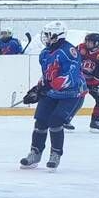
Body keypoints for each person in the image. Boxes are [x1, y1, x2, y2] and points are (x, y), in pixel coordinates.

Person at [17, 20, 85, 170]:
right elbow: (47, 75)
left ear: (57, 36)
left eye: (48, 35)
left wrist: (55, 84)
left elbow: (71, 76)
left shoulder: (69, 52)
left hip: (72, 94)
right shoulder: (44, 53)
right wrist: (37, 89)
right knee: (40, 121)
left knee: (55, 121)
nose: (46, 38)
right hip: (53, 94)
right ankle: (35, 153)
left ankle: (55, 154)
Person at [71, 32, 99, 132]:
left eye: (90, 42)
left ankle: (95, 122)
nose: (87, 43)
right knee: (74, 100)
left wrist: (93, 84)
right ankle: (65, 120)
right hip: (78, 79)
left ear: (96, 43)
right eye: (86, 41)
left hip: (92, 81)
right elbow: (71, 62)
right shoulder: (80, 48)